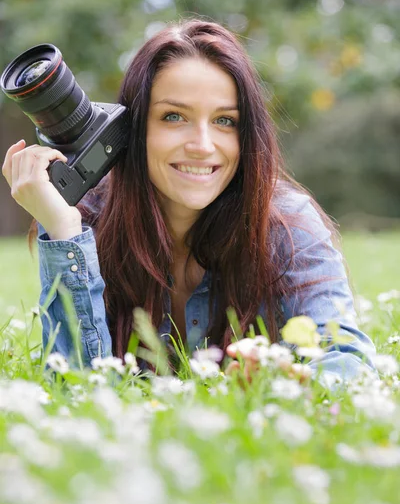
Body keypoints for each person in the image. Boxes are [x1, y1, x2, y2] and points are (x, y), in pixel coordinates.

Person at [2, 19, 376, 382]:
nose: (202, 145)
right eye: (174, 116)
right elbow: (78, 388)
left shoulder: (286, 223)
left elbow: (348, 362)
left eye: (225, 121)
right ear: (134, 129)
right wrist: (64, 232)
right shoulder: (92, 220)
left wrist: (293, 382)